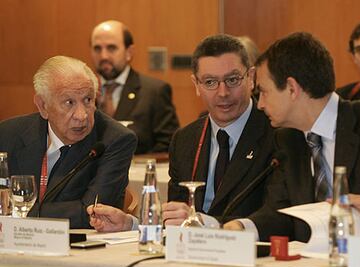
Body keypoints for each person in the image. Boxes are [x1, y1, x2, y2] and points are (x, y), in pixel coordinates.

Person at [224, 32, 360, 241]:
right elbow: (281, 213)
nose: (259, 104)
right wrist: (241, 227)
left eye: (263, 92)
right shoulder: (288, 140)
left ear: (292, 88)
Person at [87, 34, 276, 232]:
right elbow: (175, 218)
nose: (223, 92)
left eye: (232, 79)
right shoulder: (185, 140)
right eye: (210, 82)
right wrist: (130, 224)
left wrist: (210, 224)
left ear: (251, 78)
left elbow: (276, 217)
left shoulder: (277, 136)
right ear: (196, 84)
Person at [0, 56, 137, 228]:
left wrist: (15, 212)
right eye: (69, 102)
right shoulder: (7, 134)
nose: (82, 116)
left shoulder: (115, 140)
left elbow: (90, 214)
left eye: (88, 100)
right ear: (43, 106)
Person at [90, 20, 179, 154]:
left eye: (111, 48)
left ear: (129, 52)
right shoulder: (84, 92)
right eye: (97, 48)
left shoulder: (155, 91)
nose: (104, 56)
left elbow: (169, 145)